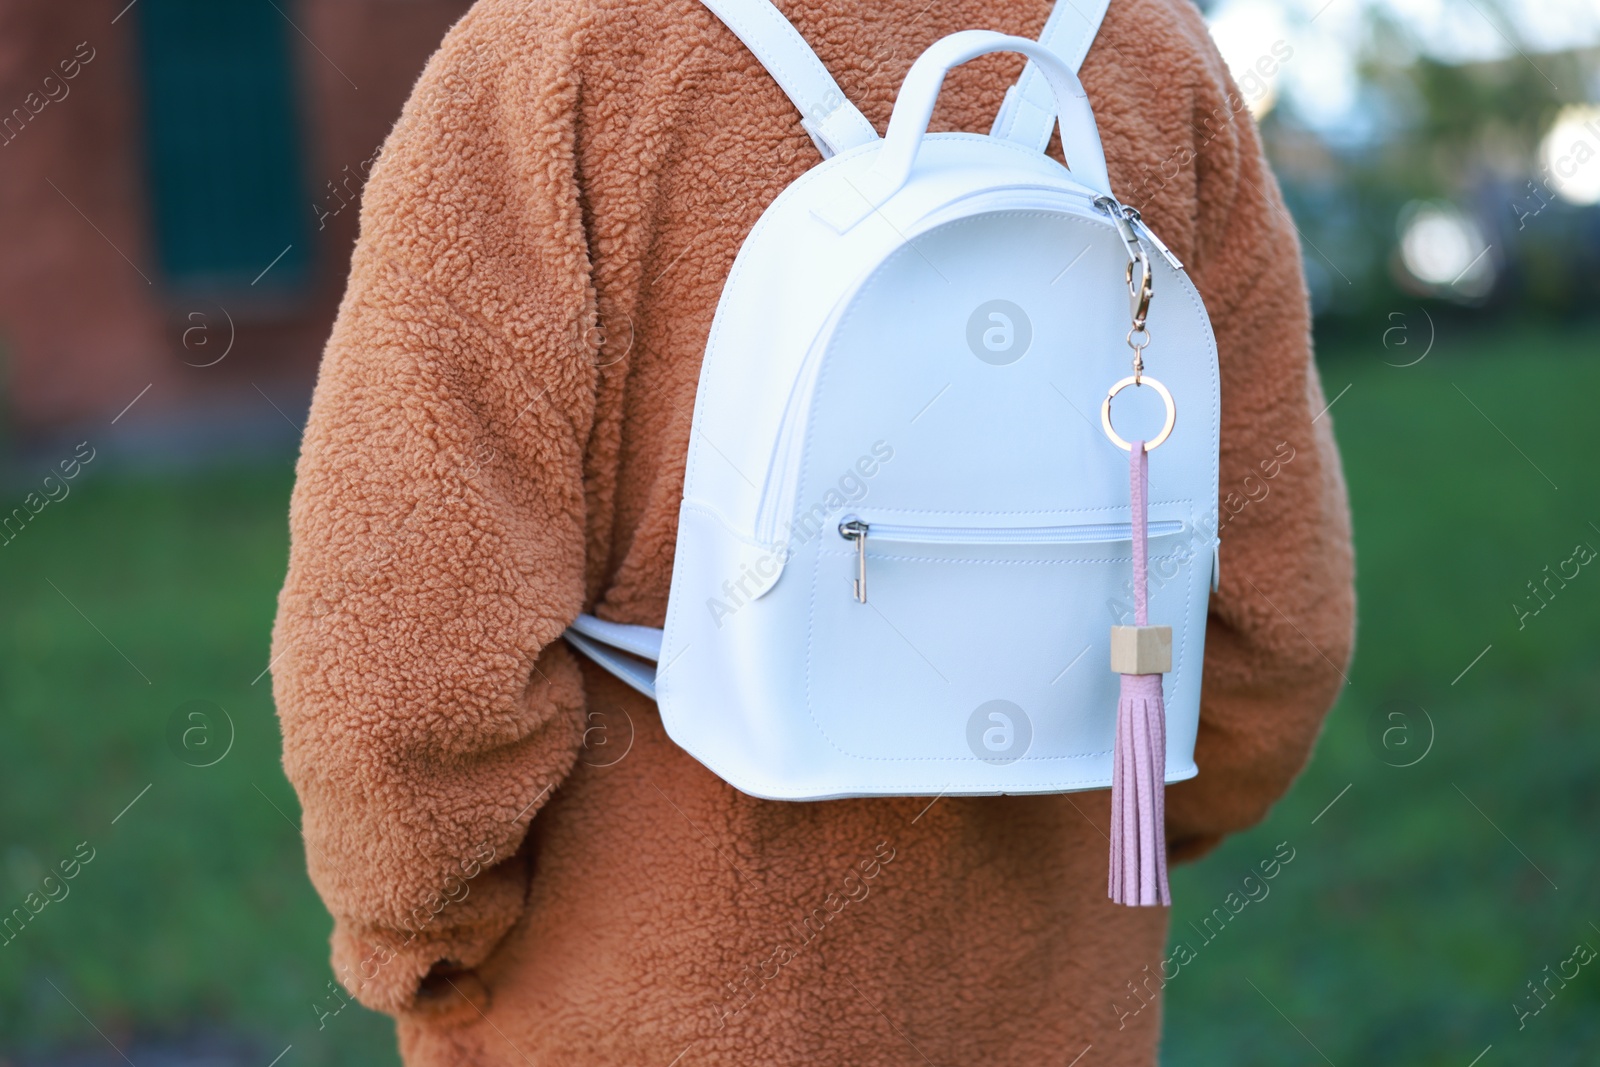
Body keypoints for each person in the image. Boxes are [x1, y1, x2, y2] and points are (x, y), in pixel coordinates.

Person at [270, 0, 1355, 1063]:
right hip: (1046, 987)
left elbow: (400, 648)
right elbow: (1281, 620)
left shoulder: (555, 50)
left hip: (619, 995)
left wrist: (426, 946)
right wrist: (1120, 812)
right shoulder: (1152, 51)